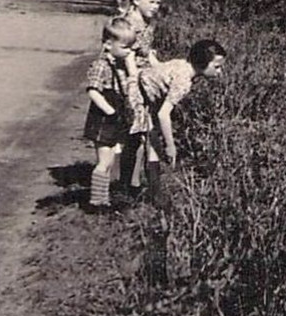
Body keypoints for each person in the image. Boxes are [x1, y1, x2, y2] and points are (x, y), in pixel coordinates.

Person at [137, 38, 228, 177]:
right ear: (202, 63)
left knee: (149, 140)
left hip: (144, 92)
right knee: (142, 141)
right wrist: (170, 145)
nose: (219, 71)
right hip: (137, 95)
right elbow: (163, 114)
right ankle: (135, 187)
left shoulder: (180, 64)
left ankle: (135, 186)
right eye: (216, 67)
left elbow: (159, 69)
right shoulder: (184, 82)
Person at [83, 16, 146, 210]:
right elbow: (93, 91)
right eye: (125, 47)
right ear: (108, 44)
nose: (128, 52)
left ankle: (103, 198)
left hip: (114, 117)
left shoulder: (119, 65)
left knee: (110, 159)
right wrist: (109, 110)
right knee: (104, 160)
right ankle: (96, 201)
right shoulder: (101, 65)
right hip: (103, 118)